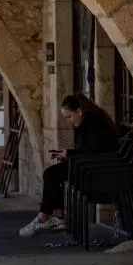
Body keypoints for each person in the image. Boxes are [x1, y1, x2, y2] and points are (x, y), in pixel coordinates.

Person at [19, 94, 120, 237]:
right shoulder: (90, 121)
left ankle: (43, 217)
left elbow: (93, 151)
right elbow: (90, 149)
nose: (69, 121)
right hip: (90, 166)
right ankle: (58, 217)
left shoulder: (93, 123)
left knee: (50, 174)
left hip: (95, 171)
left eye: (69, 117)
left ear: (79, 111)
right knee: (55, 176)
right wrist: (69, 153)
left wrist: (70, 155)